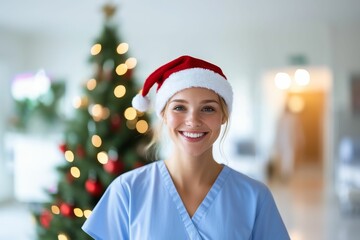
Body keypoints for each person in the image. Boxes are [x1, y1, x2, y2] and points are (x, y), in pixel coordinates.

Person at [82, 55, 290, 240]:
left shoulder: (255, 197)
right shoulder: (126, 191)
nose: (193, 120)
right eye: (179, 107)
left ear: (223, 116)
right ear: (163, 114)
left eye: (208, 108)